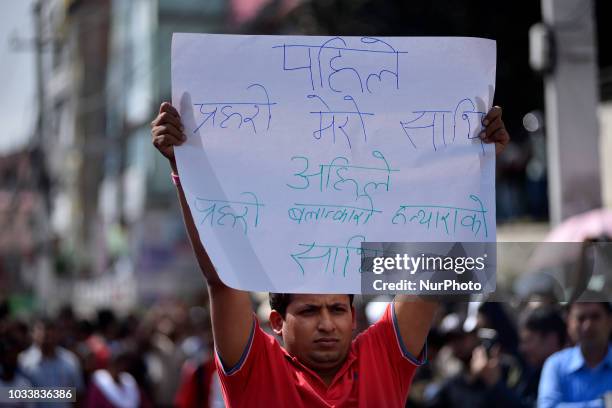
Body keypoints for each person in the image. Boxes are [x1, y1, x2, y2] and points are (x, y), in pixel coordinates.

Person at [150, 101, 510, 407]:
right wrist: (185, 170)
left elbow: (433, 266)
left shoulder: (382, 357)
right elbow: (224, 281)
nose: (326, 323)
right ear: (276, 322)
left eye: (337, 308)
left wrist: (476, 165)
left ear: (353, 317)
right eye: (308, 310)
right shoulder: (255, 369)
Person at [538, 300, 612, 408]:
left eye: (595, 317)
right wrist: (603, 404)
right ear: (569, 323)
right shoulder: (556, 365)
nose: (588, 326)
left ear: (610, 321)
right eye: (581, 318)